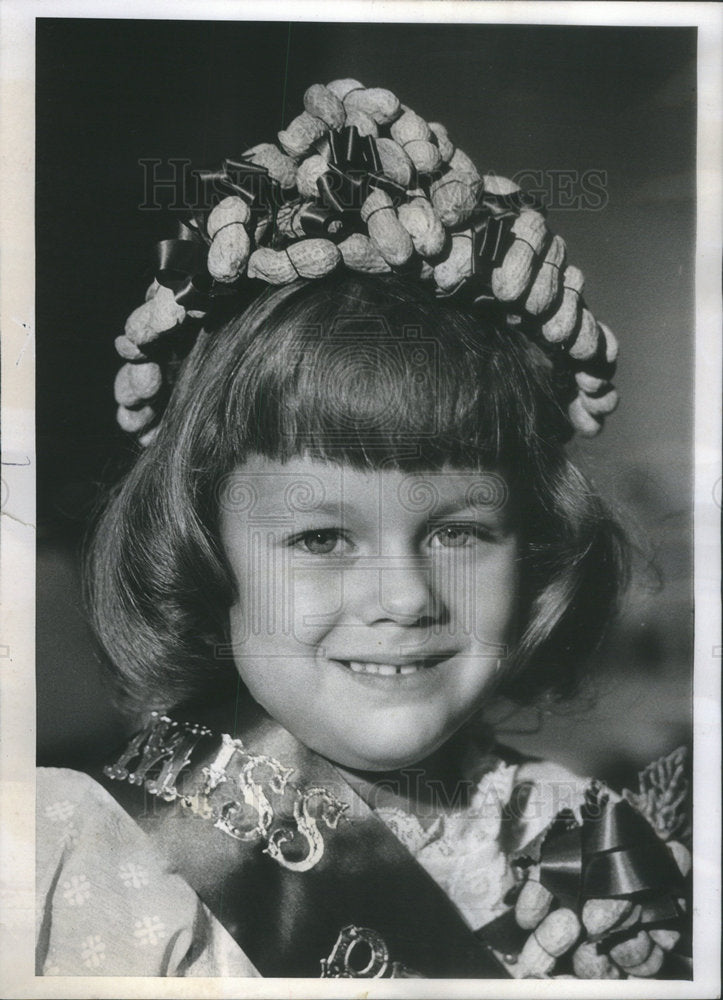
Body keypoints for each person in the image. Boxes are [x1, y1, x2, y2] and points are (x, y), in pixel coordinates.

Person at [35, 78, 691, 981]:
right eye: (320, 539)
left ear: (534, 549)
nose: (404, 596)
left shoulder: (594, 849)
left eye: (458, 533)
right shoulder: (96, 863)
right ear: (206, 550)